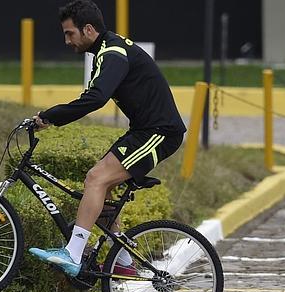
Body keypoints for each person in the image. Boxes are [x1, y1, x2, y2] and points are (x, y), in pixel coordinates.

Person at [29, 0, 187, 277]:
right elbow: (94, 96)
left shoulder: (112, 52)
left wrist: (50, 116)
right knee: (102, 189)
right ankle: (124, 263)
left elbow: (95, 99)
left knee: (96, 179)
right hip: (144, 130)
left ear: (88, 29)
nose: (66, 41)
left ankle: (73, 253)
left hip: (159, 133)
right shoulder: (105, 50)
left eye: (70, 33)